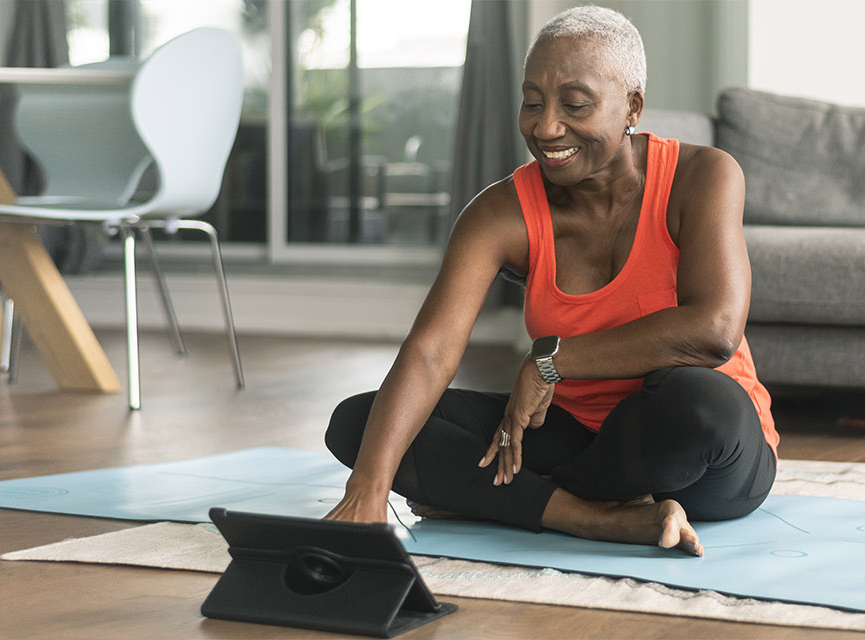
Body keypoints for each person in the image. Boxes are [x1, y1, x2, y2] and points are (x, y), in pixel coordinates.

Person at [322, 5, 776, 556]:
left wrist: (551, 361)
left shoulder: (702, 176)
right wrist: (367, 490)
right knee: (362, 426)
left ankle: (508, 499)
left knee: (701, 402)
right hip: (571, 433)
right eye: (532, 103)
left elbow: (715, 330)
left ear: (632, 105)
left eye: (575, 105)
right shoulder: (499, 213)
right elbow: (431, 351)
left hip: (697, 455)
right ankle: (590, 517)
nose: (546, 127)